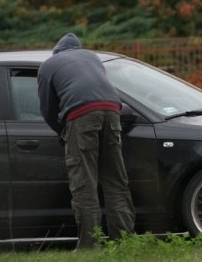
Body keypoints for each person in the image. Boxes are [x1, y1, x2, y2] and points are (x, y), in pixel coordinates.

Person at [37, 33, 135, 249]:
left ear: (57, 51)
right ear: (78, 49)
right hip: (112, 112)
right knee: (116, 182)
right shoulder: (92, 58)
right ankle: (125, 243)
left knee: (84, 184)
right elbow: (100, 89)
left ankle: (90, 247)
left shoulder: (49, 65)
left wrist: (62, 131)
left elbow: (47, 108)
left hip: (81, 117)